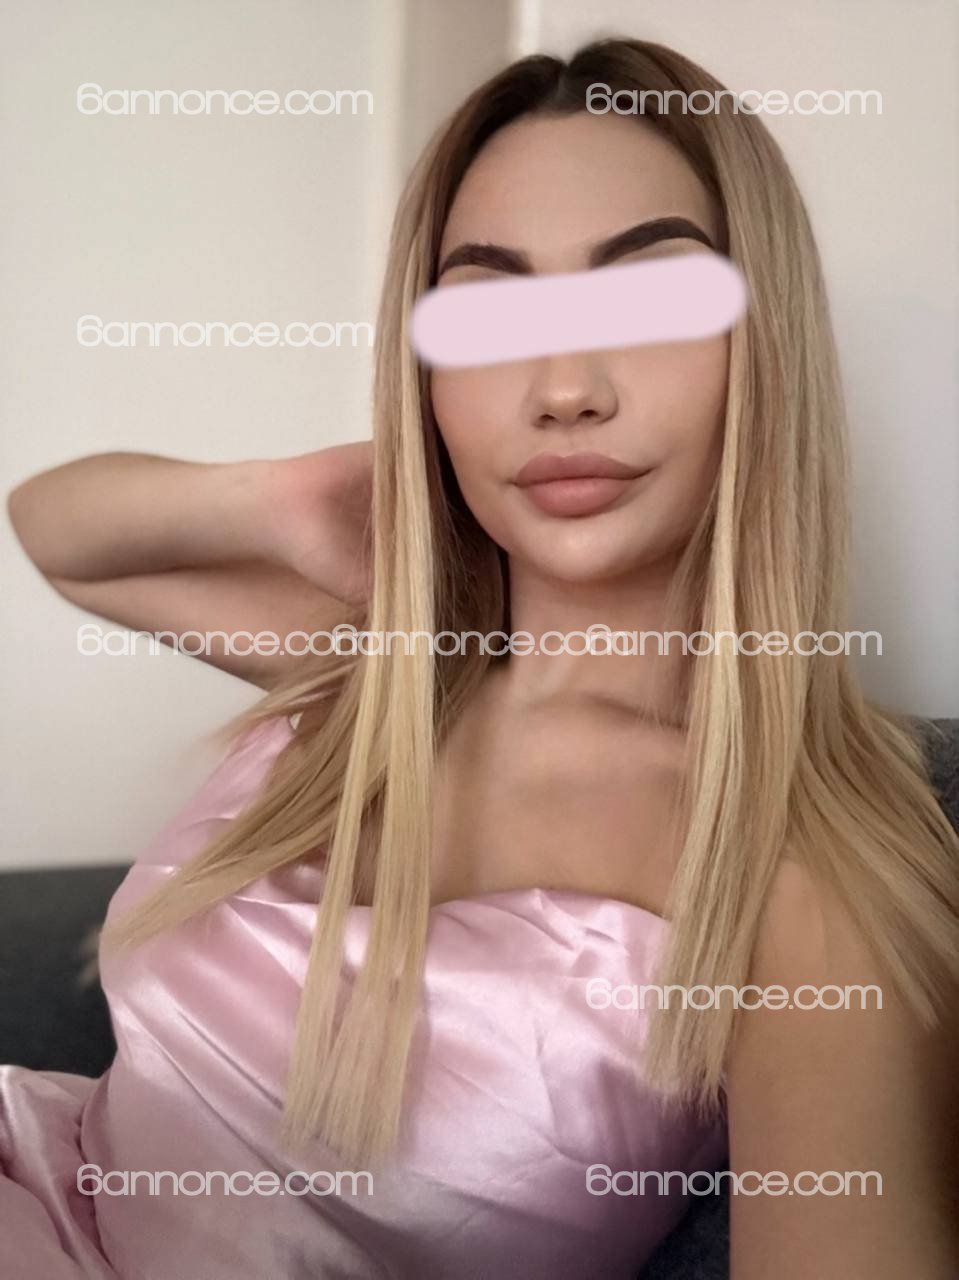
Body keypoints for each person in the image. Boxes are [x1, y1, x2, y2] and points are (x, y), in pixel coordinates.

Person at [3, 36, 957, 1280]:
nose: (561, 388)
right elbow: (55, 526)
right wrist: (284, 496)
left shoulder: (798, 883)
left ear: (763, 348)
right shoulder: (379, 671)